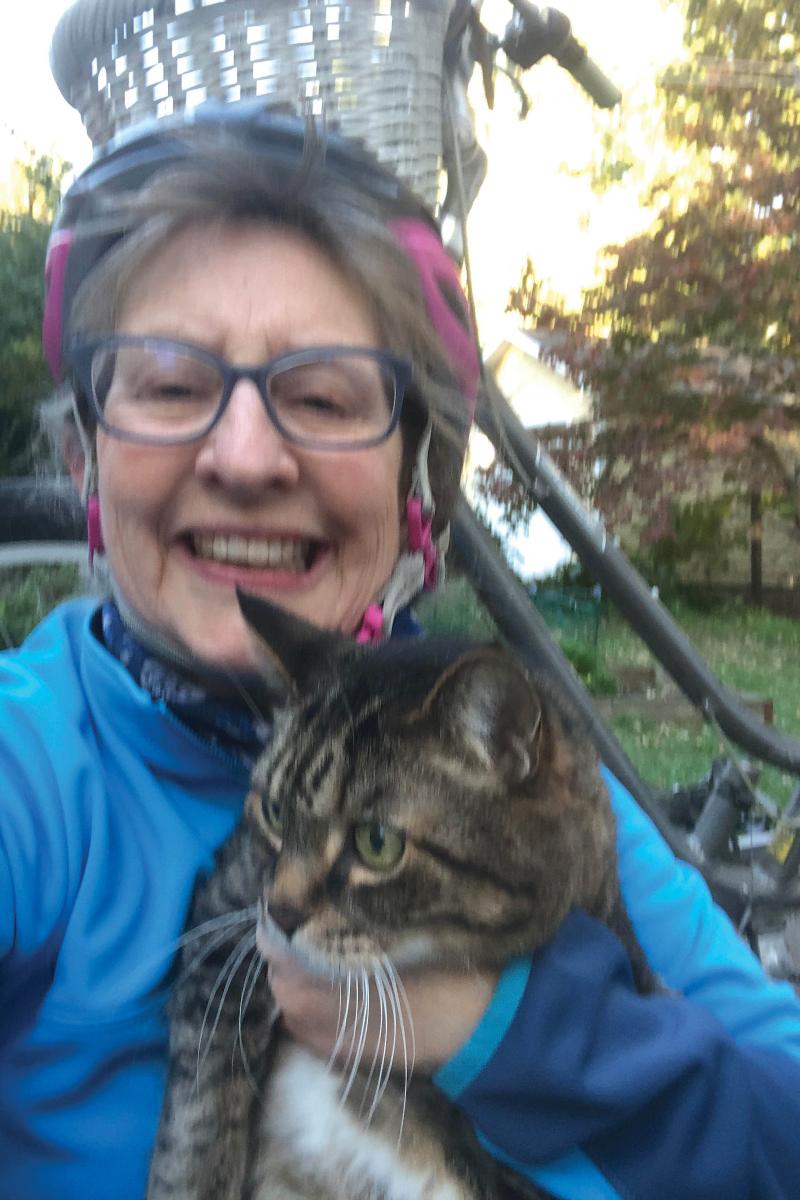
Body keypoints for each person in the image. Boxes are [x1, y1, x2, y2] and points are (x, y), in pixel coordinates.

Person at [1, 105, 800, 1200]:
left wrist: (513, 1024)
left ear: (417, 485)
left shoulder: (517, 788)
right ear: (84, 464)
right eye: (171, 386)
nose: (244, 457)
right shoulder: (28, 769)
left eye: (322, 396)